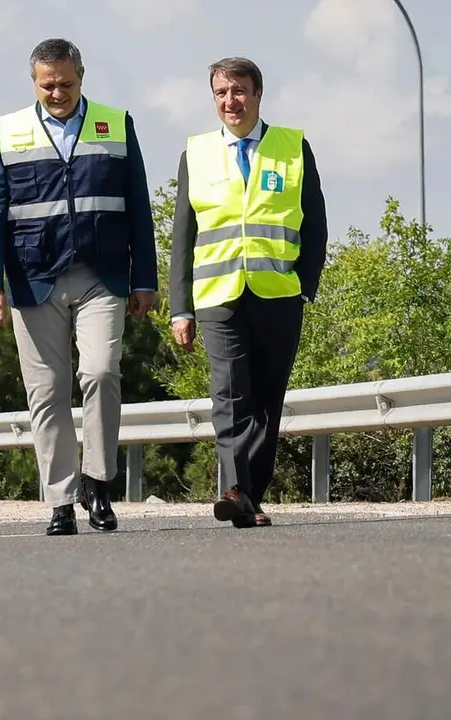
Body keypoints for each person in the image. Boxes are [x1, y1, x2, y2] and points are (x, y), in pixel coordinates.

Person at [0, 38, 157, 536]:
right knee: (47, 391)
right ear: (34, 81)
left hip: (102, 275)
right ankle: (59, 500)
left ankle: (98, 483)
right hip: (33, 278)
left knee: (100, 371)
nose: (57, 93)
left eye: (66, 83)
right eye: (47, 84)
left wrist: (145, 278)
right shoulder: (7, 130)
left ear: (82, 76)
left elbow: (138, 205)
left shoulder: (115, 124)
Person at [168, 57, 328, 528]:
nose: (229, 101)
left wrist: (306, 286)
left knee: (266, 400)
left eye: (238, 91)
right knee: (230, 392)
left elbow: (315, 224)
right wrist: (181, 308)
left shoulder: (292, 147)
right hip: (218, 294)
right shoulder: (195, 153)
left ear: (258, 94)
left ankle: (249, 496)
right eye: (220, 93)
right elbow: (183, 235)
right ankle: (237, 490)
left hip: (279, 293)